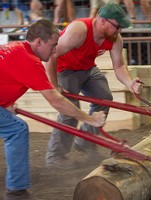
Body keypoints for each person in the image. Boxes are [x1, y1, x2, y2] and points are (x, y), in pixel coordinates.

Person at [0, 19, 105, 200]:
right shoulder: (29, 61)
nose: (56, 50)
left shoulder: (16, 48)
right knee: (17, 130)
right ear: (39, 42)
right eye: (53, 45)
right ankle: (16, 192)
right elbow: (56, 101)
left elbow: (7, 77)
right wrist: (89, 119)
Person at [44, 3, 142, 167]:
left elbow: (119, 66)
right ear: (103, 21)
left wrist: (130, 83)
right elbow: (51, 55)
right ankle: (55, 157)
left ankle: (85, 140)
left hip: (87, 68)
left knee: (104, 99)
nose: (119, 31)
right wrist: (54, 86)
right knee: (70, 109)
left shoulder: (115, 38)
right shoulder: (79, 30)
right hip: (64, 69)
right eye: (117, 27)